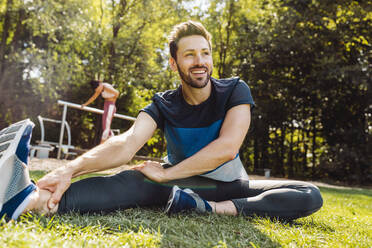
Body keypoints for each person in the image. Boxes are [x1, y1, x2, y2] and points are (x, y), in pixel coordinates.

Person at [0, 21, 323, 222]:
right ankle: (27, 199)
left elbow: (227, 148)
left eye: (205, 53)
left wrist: (168, 172)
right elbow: (126, 143)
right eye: (190, 55)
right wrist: (69, 169)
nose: (200, 62)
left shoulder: (235, 90)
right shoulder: (163, 103)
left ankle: (207, 209)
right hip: (180, 185)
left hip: (229, 186)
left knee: (310, 194)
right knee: (133, 179)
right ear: (174, 63)